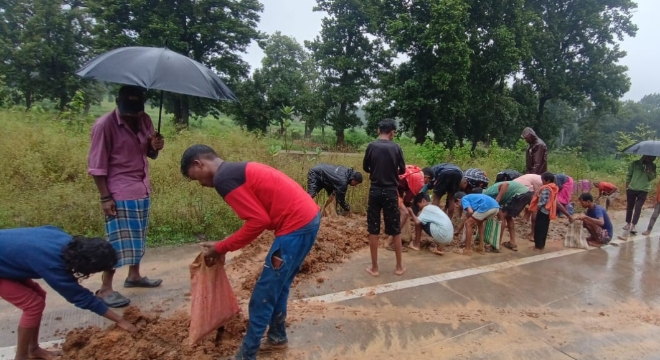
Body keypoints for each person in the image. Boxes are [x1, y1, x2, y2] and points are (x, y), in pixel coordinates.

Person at [180, 144, 321, 360]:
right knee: (278, 288)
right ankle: (276, 338)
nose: (200, 184)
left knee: (263, 295)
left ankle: (246, 355)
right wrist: (224, 246)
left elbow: (258, 221)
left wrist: (221, 247)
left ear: (199, 164)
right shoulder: (233, 170)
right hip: (308, 219)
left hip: (295, 226)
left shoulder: (223, 178)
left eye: (196, 177)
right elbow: (260, 216)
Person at [0, 226, 138, 360]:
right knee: (33, 305)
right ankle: (21, 357)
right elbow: (81, 297)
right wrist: (120, 320)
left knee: (39, 296)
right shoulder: (53, 262)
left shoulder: (66, 241)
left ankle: (33, 349)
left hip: (7, 258)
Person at [87, 85, 164, 308]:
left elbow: (151, 154)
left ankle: (134, 276)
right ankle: (105, 289)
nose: (132, 115)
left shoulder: (146, 120)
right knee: (117, 242)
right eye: (128, 109)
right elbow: (96, 166)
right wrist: (105, 198)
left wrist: (154, 146)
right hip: (119, 191)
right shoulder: (104, 126)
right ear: (118, 102)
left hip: (141, 187)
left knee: (138, 236)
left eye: (136, 110)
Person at [362, 119, 407, 276]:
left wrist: (376, 170)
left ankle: (374, 268)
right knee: (395, 229)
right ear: (392, 132)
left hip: (375, 191)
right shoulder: (396, 148)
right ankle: (399, 267)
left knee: (373, 229)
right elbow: (402, 170)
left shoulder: (371, 146)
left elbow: (365, 167)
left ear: (378, 130)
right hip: (390, 192)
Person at [484, 181, 534, 252]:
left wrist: (498, 199)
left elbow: (506, 184)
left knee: (502, 217)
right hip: (525, 194)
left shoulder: (488, 192)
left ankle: (496, 245)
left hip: (520, 194)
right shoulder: (488, 195)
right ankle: (512, 242)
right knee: (508, 217)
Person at [390, 165, 425, 251]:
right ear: (427, 177)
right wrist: (410, 210)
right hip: (391, 189)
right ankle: (391, 242)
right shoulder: (418, 180)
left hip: (390, 186)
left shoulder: (414, 172)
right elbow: (407, 199)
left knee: (399, 212)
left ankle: (395, 237)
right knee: (404, 213)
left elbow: (402, 185)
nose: (425, 184)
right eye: (428, 181)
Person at [624, 155, 657, 234]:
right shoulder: (635, 164)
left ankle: (633, 226)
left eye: (653, 158)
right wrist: (627, 187)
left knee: (638, 208)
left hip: (643, 190)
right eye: (650, 158)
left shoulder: (653, 165)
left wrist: (649, 172)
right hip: (632, 188)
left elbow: (652, 178)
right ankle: (628, 223)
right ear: (645, 156)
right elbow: (629, 175)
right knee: (630, 206)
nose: (652, 160)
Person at [529, 173, 561, 251]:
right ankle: (541, 245)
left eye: (543, 180)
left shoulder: (546, 188)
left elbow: (544, 201)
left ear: (548, 181)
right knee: (544, 228)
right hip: (548, 211)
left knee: (539, 228)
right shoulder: (554, 188)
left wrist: (537, 205)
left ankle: (538, 246)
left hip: (543, 211)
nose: (542, 182)